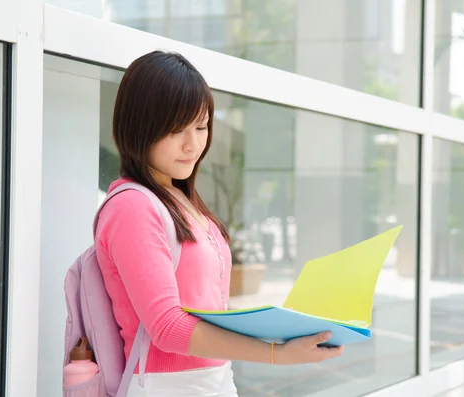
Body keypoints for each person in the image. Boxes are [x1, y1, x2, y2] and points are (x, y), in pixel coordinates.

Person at [94, 50, 344, 397]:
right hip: (166, 387)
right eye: (176, 129)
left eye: (201, 126)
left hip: (213, 380)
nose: (193, 144)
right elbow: (166, 328)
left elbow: (209, 308)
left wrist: (282, 330)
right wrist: (274, 354)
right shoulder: (133, 206)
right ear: (139, 126)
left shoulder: (179, 198)